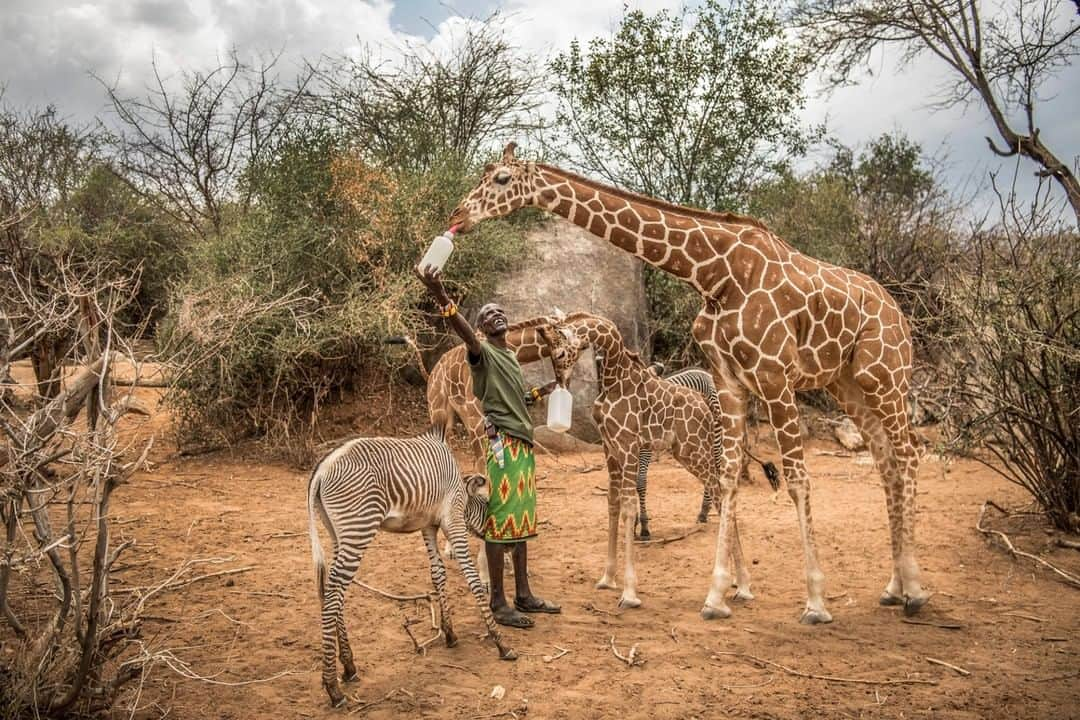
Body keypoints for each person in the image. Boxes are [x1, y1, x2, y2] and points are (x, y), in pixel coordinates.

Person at [417, 265, 561, 628]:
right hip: (504, 446)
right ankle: (498, 602)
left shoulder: (509, 357)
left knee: (523, 520)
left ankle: (524, 595)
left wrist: (538, 393)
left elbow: (512, 399)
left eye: (500, 311)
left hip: (523, 444)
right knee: (500, 522)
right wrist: (439, 292)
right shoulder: (479, 352)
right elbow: (461, 328)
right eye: (487, 314)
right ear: (479, 329)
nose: (496, 314)